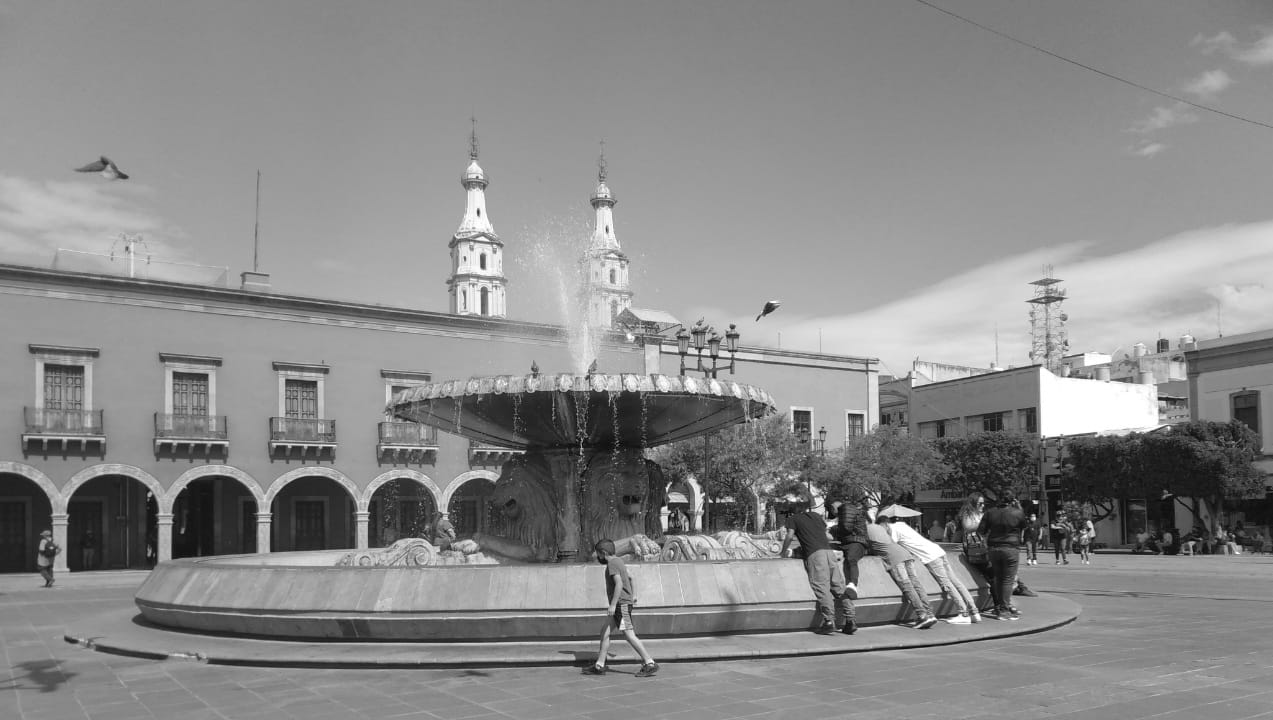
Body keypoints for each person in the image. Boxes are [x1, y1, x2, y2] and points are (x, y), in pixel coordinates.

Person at [582, 539, 659, 677]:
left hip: (621, 606)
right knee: (604, 632)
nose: (598, 557)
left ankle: (650, 663)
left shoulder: (612, 564)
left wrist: (612, 605)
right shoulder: (619, 561)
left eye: (598, 555)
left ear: (603, 553)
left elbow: (618, 584)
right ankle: (599, 665)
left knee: (629, 635)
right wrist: (633, 595)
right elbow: (631, 577)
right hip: (623, 603)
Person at [885, 513, 979, 624]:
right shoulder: (902, 525)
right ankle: (974, 612)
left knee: (947, 584)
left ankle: (964, 613)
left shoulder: (893, 530)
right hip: (938, 550)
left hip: (930, 557)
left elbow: (892, 546)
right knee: (955, 581)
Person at [780, 495, 850, 635]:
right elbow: (827, 535)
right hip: (829, 553)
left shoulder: (793, 519)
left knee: (821, 586)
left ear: (792, 508)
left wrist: (783, 552)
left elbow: (789, 536)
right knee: (838, 585)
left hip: (815, 555)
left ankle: (829, 621)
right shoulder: (816, 516)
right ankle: (851, 620)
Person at [866, 514, 937, 629]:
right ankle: (930, 613)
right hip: (906, 554)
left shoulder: (866, 530)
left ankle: (922, 615)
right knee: (916, 584)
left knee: (907, 586)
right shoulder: (880, 527)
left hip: (894, 559)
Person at [977, 493, 1028, 620]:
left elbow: (980, 531)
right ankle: (1004, 610)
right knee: (1007, 580)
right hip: (1011, 548)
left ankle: (999, 607)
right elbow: (1024, 526)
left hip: (994, 548)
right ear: (1013, 501)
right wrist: (1019, 507)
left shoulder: (990, 513)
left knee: (998, 578)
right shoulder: (1017, 513)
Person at [827, 501, 867, 633]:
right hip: (850, 541)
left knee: (851, 559)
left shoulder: (846, 509)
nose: (832, 513)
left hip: (856, 542)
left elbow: (846, 528)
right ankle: (850, 621)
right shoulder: (848, 510)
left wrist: (832, 529)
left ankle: (853, 584)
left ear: (834, 507)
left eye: (831, 510)